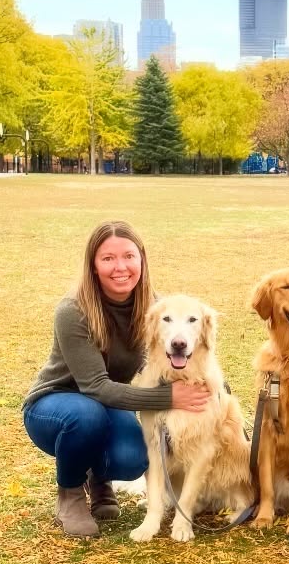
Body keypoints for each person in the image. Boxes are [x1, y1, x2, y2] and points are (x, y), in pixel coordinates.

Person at [23, 220, 211, 537]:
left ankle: (100, 480)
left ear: (142, 260)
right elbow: (95, 387)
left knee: (133, 457)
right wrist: (170, 398)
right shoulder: (72, 310)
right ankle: (70, 494)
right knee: (86, 416)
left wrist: (209, 386)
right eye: (108, 258)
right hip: (55, 405)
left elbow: (170, 359)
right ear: (93, 266)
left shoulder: (154, 308)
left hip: (108, 404)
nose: (120, 267)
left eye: (128, 256)